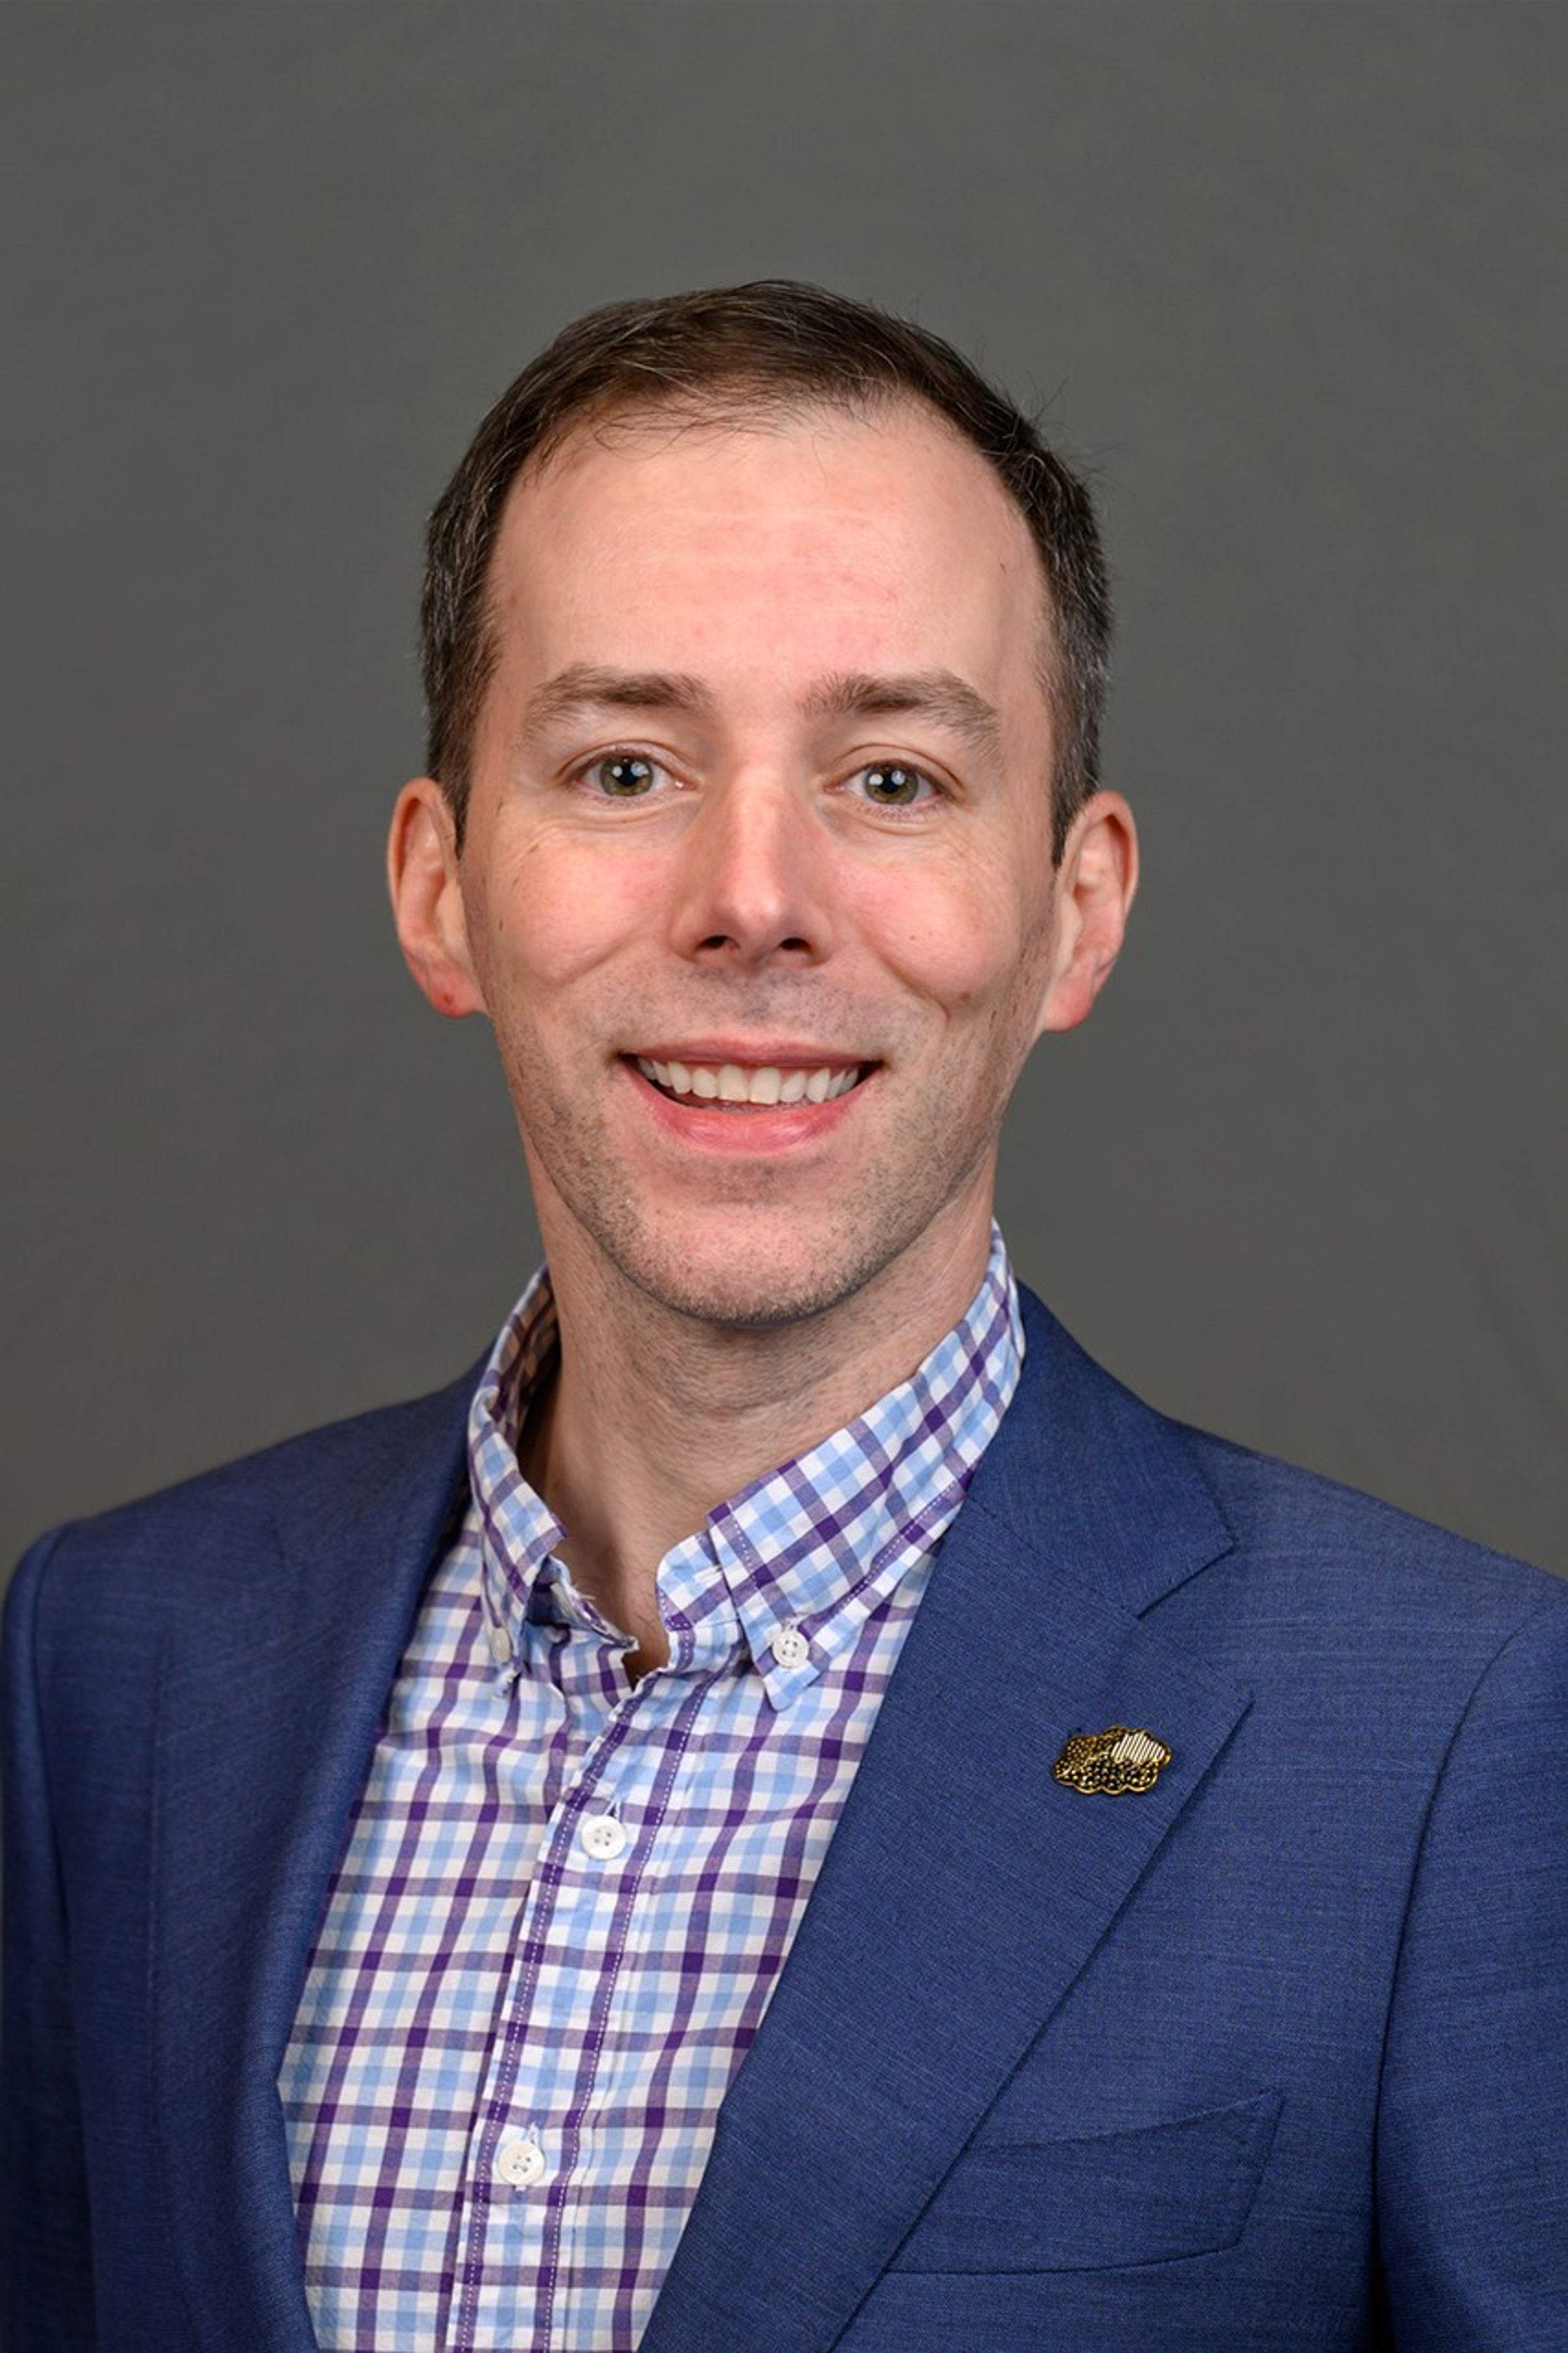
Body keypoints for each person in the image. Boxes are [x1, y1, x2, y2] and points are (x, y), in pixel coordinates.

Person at [3, 282, 1564, 2353]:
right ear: (440, 885)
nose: (753, 897)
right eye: (625, 764)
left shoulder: (1451, 1743)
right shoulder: (108, 1666)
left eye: (893, 778)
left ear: (1077, 910)